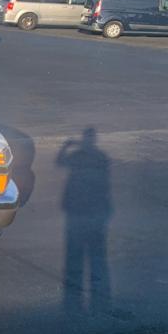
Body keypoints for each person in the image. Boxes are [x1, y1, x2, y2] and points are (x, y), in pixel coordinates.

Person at [57, 128, 111, 314]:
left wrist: (66, 146)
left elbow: (59, 162)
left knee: (77, 252)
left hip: (79, 209)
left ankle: (76, 301)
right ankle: (99, 300)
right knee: (96, 255)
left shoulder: (80, 156)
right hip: (92, 208)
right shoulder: (100, 156)